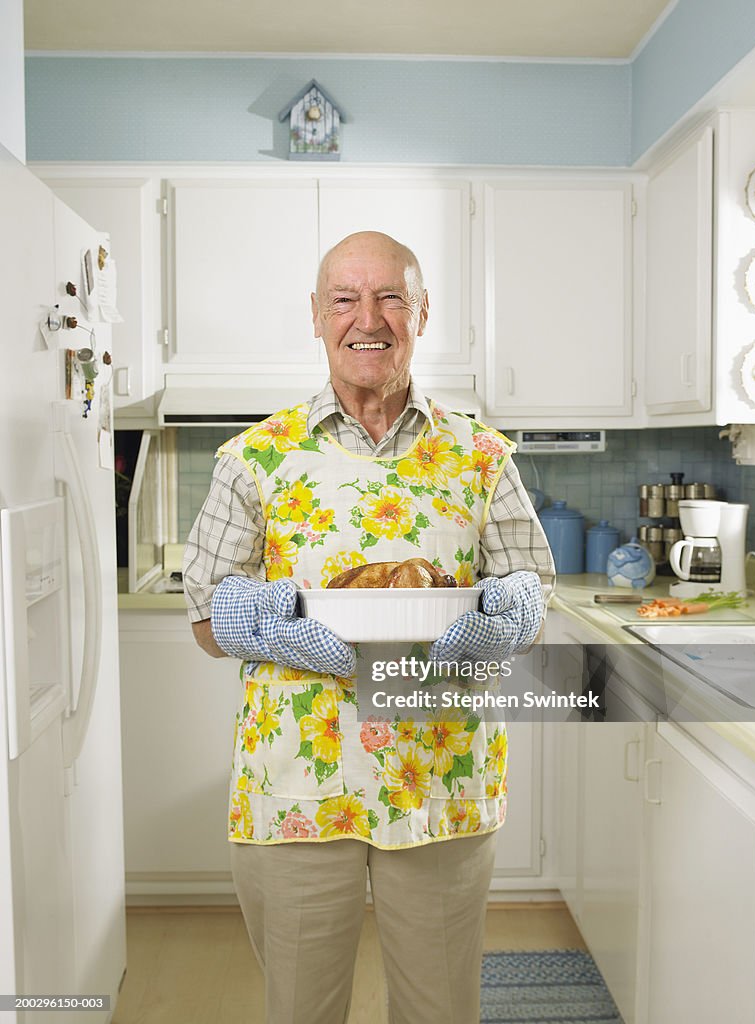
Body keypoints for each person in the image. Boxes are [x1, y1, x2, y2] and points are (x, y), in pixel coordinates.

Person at [183, 230, 555, 1024]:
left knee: (439, 1010)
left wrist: (511, 613)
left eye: (390, 296)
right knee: (301, 1011)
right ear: (316, 317)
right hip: (298, 786)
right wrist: (259, 621)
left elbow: (535, 585)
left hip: (441, 779)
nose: (368, 317)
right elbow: (203, 615)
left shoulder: (480, 456)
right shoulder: (255, 458)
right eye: (345, 299)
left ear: (422, 313)